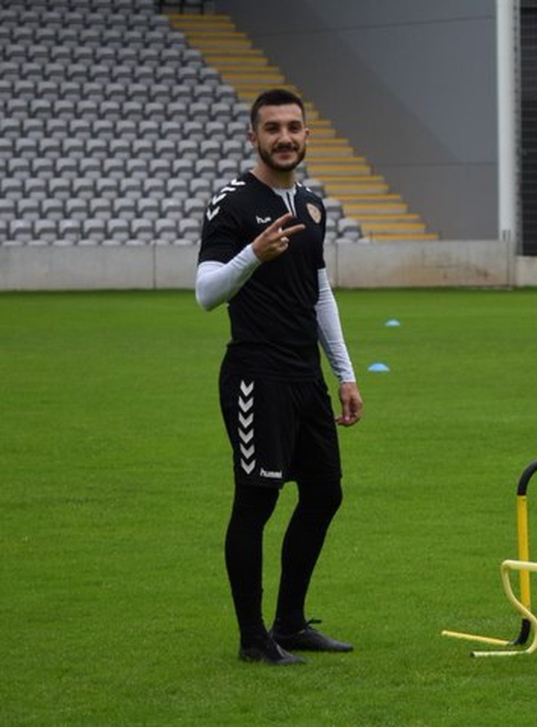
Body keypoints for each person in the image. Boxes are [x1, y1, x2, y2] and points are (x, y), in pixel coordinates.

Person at [195, 88, 364, 665]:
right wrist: (252, 255)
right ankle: (252, 639)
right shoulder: (232, 204)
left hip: (304, 379)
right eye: (273, 129)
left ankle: (289, 623)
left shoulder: (312, 206)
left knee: (324, 493)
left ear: (307, 135)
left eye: (294, 127)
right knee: (256, 502)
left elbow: (320, 293)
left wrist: (345, 374)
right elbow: (205, 293)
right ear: (254, 137)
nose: (285, 137)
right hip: (255, 376)